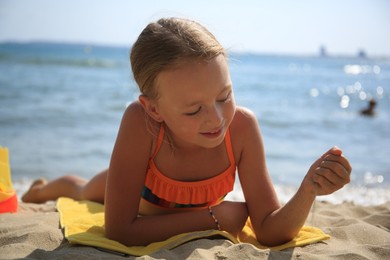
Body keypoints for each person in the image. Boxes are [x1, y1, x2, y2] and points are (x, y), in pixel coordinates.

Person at [22, 17, 352, 247]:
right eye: (194, 110)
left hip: (167, 213)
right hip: (138, 191)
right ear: (154, 109)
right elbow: (120, 229)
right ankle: (40, 191)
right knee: (82, 192)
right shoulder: (142, 123)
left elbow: (269, 229)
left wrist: (308, 190)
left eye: (225, 96)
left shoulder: (243, 128)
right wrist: (213, 218)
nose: (216, 118)